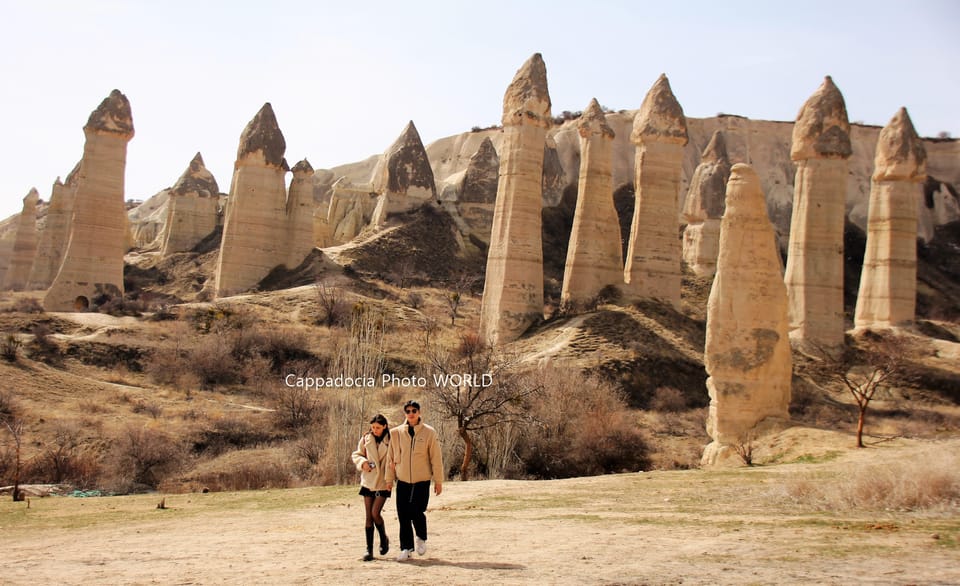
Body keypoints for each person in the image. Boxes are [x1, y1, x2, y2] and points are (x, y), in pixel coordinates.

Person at [384, 400, 443, 561]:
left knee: (417, 511)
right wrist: (389, 480)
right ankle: (406, 548)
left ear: (419, 412)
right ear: (405, 413)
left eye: (414, 410)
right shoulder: (395, 433)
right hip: (402, 480)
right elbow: (390, 457)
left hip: (422, 480)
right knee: (403, 515)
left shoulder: (429, 432)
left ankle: (421, 537)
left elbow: (436, 458)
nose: (411, 413)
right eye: (408, 411)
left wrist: (438, 481)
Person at [351, 414, 392, 561]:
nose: (375, 430)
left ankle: (383, 538)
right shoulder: (365, 438)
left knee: (376, 513)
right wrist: (363, 463)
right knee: (368, 516)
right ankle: (369, 549)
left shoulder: (391, 440)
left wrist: (391, 478)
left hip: (383, 482)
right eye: (373, 427)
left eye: (378, 428)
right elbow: (356, 454)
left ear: (385, 426)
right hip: (368, 481)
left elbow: (394, 459)